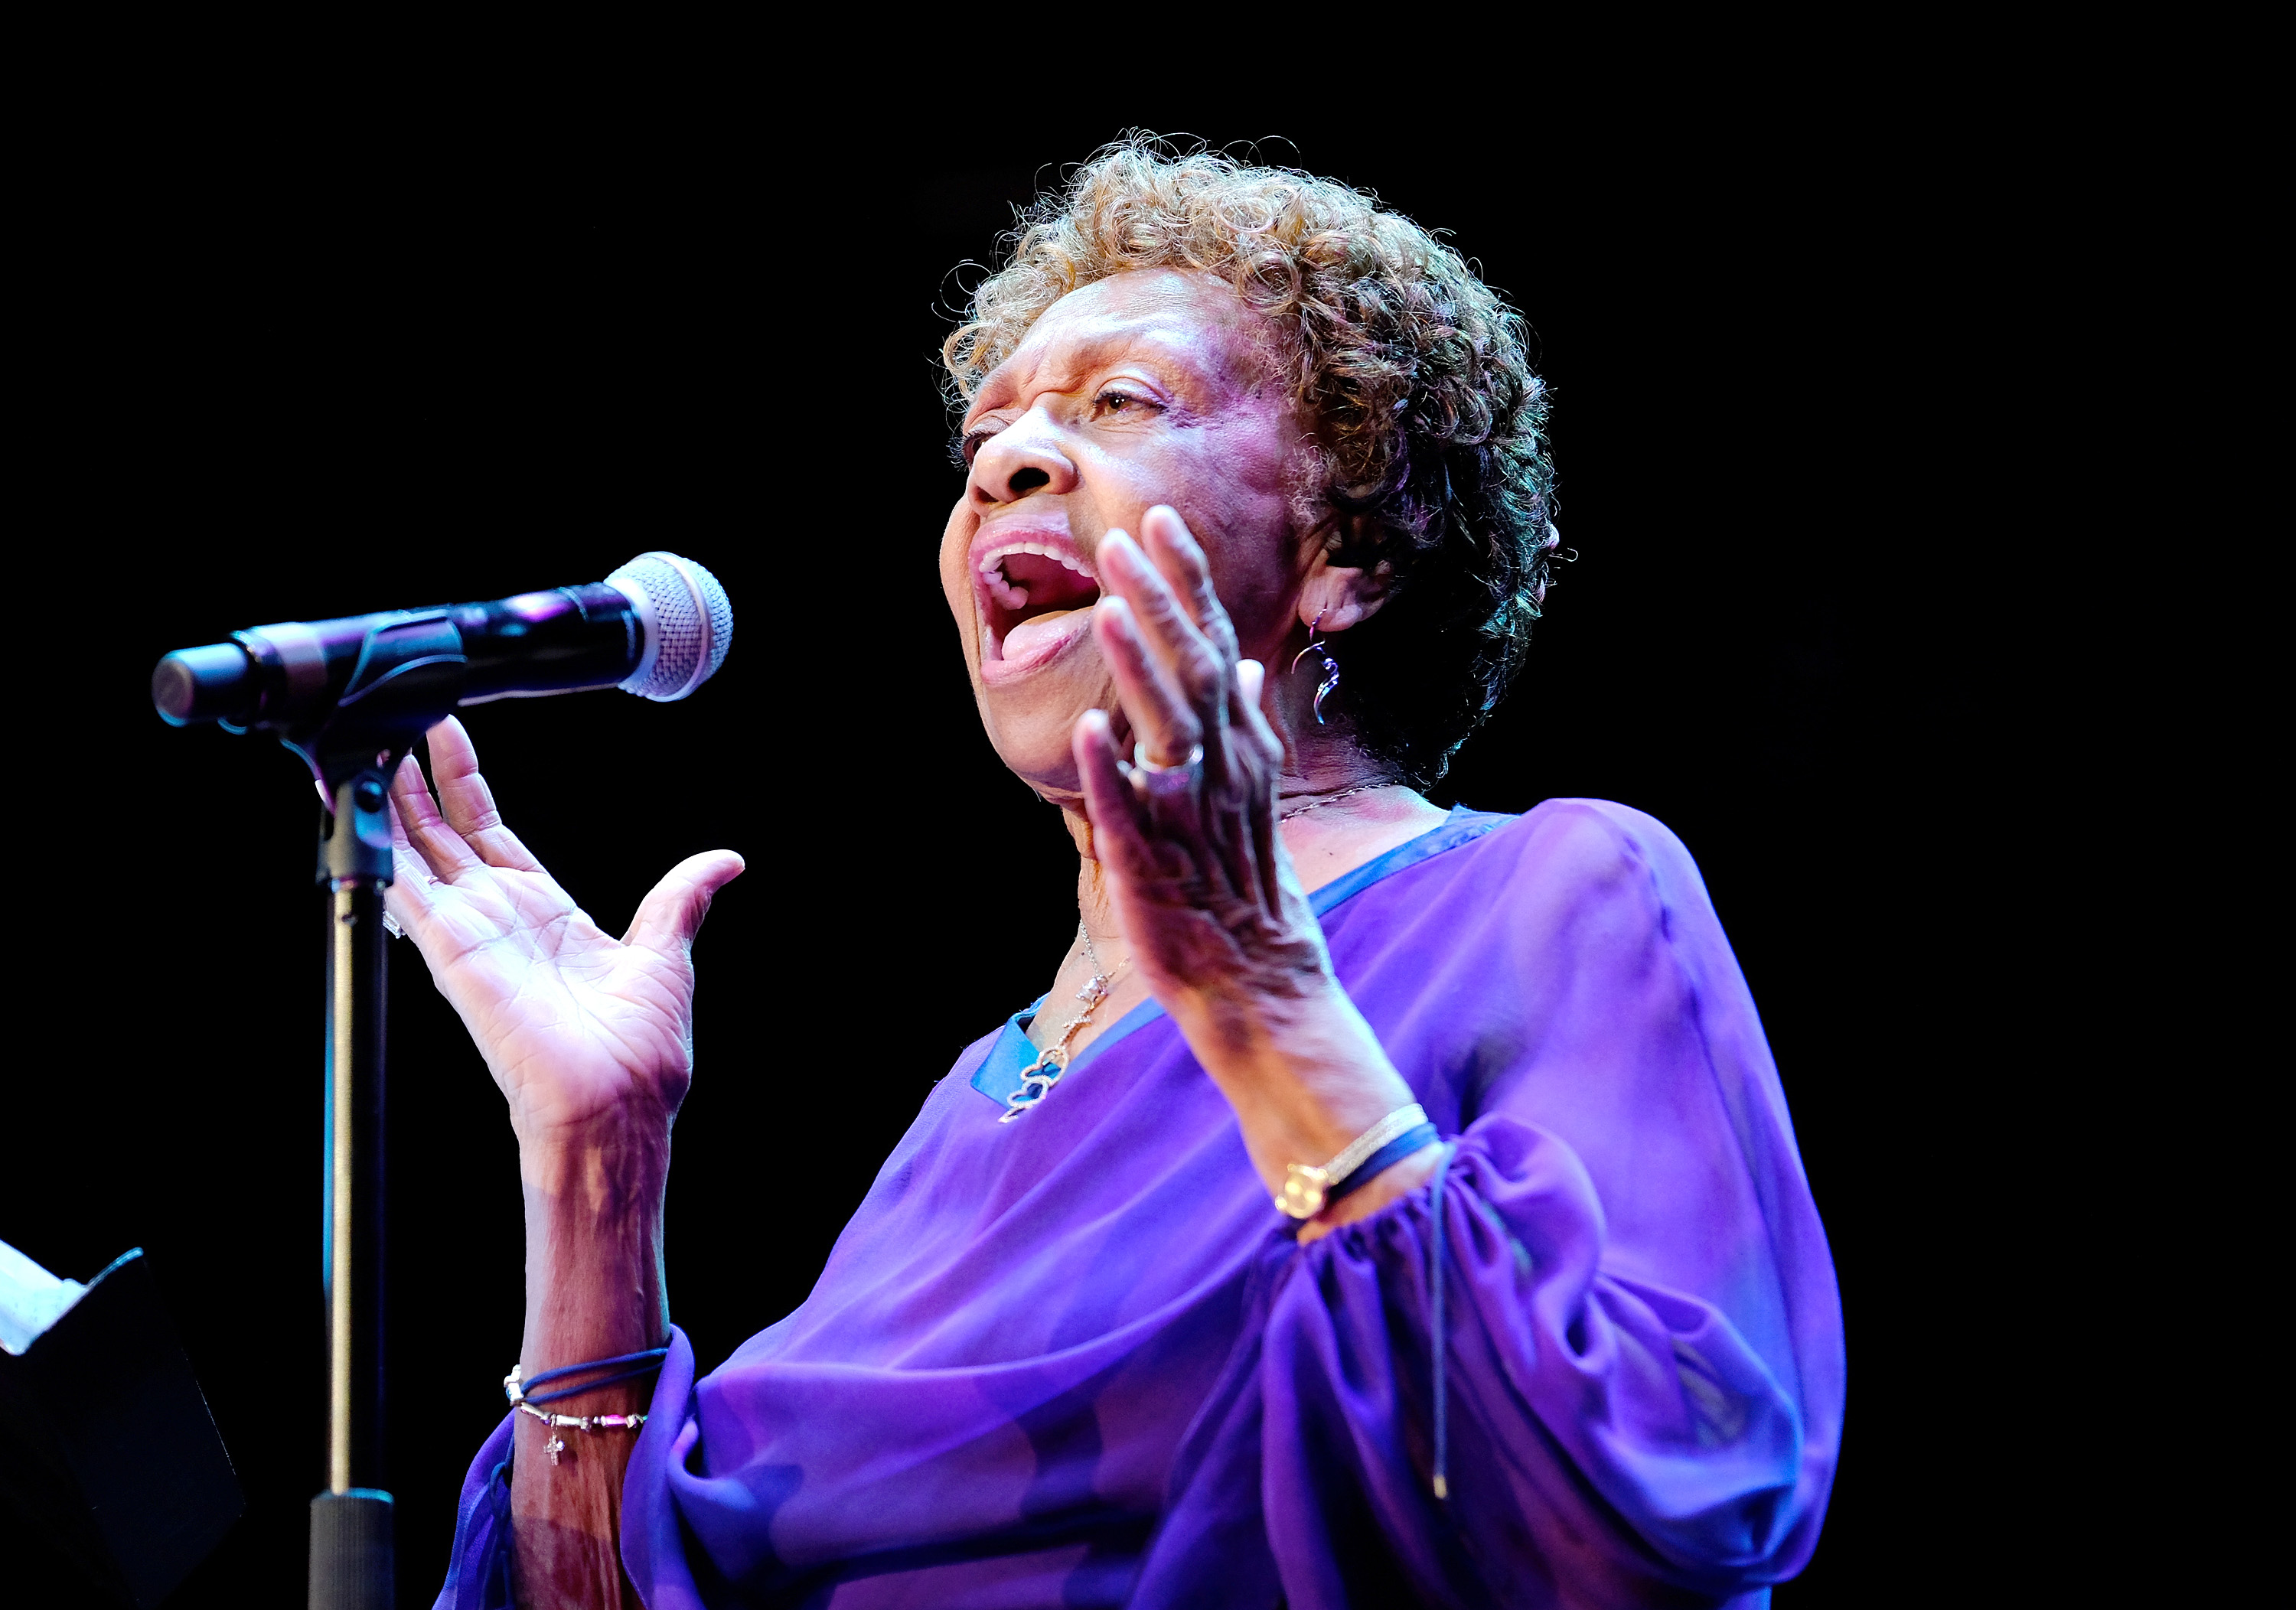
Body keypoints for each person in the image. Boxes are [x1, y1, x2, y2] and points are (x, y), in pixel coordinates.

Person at [405, 141, 1844, 1608]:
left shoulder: (1551, 897)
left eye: (1119, 404)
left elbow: (1652, 1509)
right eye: (988, 436)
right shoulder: (975, 1096)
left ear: (1348, 552)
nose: (1004, 465)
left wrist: (1261, 993)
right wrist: (595, 1161)